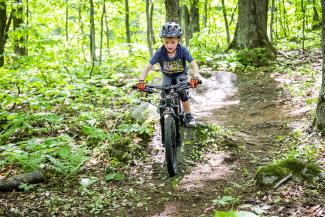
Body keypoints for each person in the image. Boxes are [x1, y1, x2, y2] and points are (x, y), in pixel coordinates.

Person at [137, 22, 200, 127]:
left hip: (181, 74)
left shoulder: (182, 50)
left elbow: (194, 65)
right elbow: (147, 67)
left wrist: (196, 77)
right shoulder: (160, 52)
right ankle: (163, 112)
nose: (169, 45)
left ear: (178, 40)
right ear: (162, 41)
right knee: (164, 92)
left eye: (173, 42)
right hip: (167, 75)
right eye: (166, 42)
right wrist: (141, 81)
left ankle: (188, 115)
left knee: (182, 91)